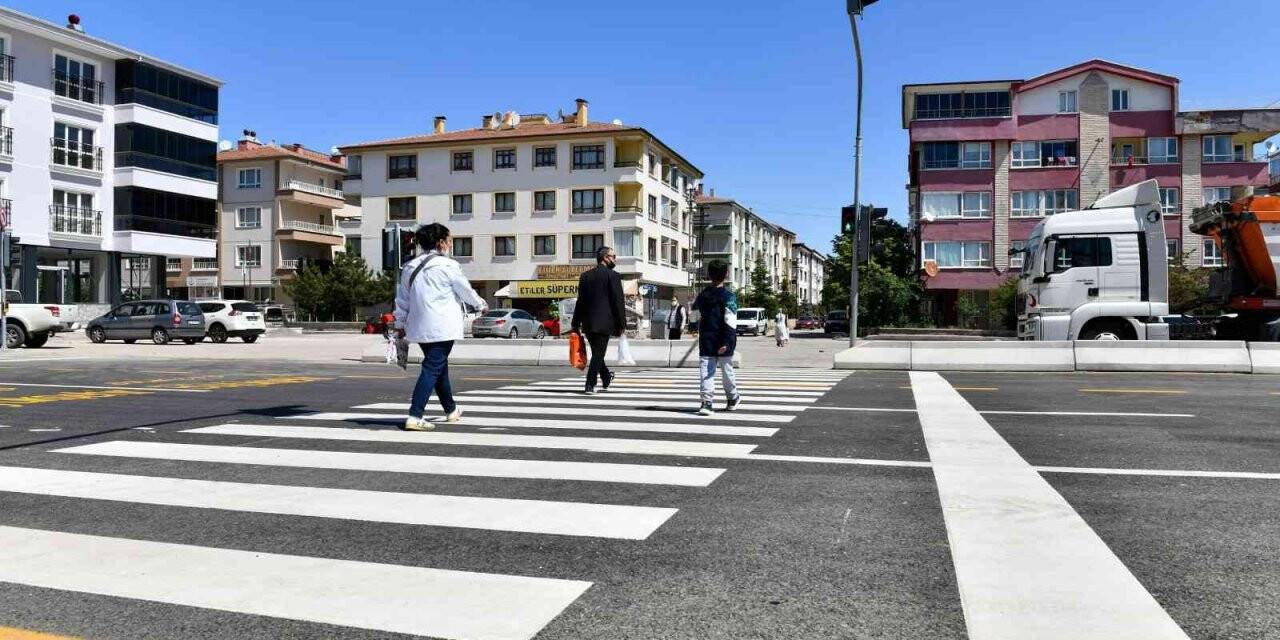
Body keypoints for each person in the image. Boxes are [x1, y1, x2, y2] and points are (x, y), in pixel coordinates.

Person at [394, 223, 486, 431]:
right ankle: (415, 415)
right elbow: (465, 290)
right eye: (449, 240)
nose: (451, 244)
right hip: (442, 326)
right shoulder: (448, 265)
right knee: (432, 367)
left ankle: (451, 410)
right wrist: (481, 305)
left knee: (438, 367)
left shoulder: (409, 267)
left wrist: (399, 323)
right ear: (441, 242)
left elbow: (402, 300)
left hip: (419, 326)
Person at [571, 246, 625, 394]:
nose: (615, 259)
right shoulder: (613, 276)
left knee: (597, 353)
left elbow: (580, 301)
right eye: (613, 256)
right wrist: (622, 324)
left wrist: (575, 323)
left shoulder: (585, 276)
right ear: (605, 258)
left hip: (588, 323)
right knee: (598, 354)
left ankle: (606, 376)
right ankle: (590, 384)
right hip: (604, 323)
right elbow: (618, 302)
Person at [692, 259, 741, 416]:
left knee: (706, 372)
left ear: (709, 274)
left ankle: (707, 403)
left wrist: (694, 328)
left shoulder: (702, 295)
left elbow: (694, 315)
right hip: (724, 340)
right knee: (727, 371)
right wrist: (727, 342)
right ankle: (732, 398)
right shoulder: (729, 296)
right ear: (726, 274)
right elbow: (730, 321)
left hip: (706, 340)